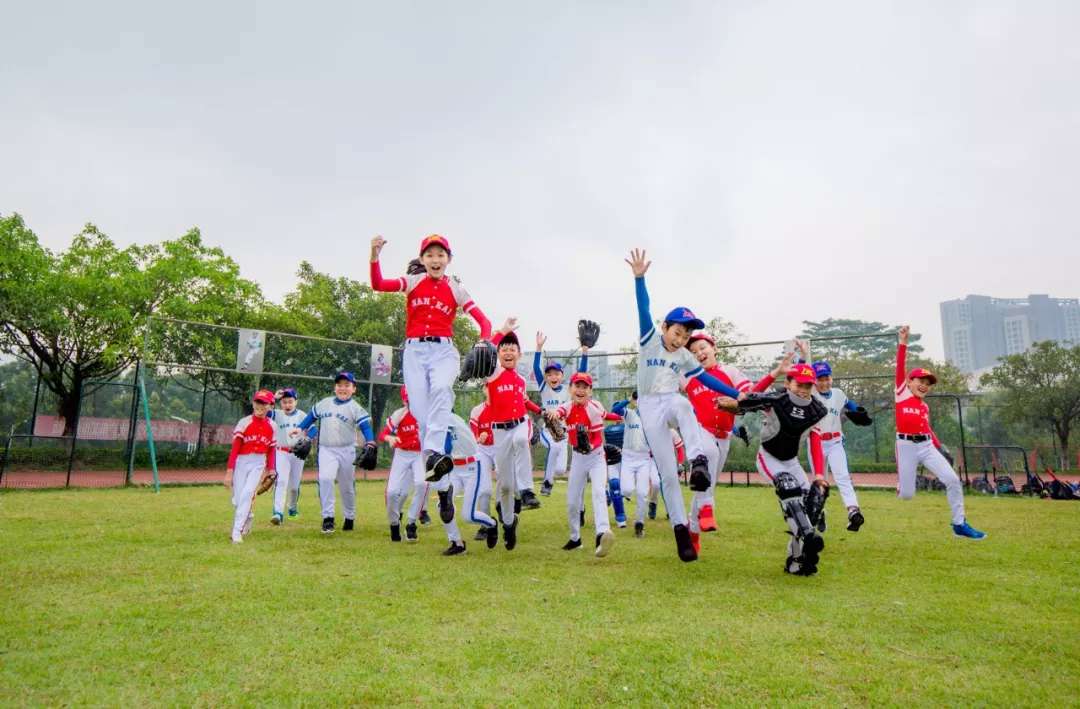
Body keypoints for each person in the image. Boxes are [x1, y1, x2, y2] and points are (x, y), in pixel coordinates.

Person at [624, 248, 743, 562]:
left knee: (683, 405)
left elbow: (707, 380)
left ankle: (698, 462)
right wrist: (639, 279)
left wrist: (736, 393)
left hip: (669, 400)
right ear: (666, 327)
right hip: (648, 407)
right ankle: (680, 533)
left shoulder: (684, 356)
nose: (680, 339)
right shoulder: (650, 338)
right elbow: (643, 308)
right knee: (667, 473)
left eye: (686, 334)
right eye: (677, 332)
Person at [369, 234, 493, 482]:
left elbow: (484, 322)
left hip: (443, 351)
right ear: (422, 259)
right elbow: (379, 284)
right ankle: (435, 463)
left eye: (440, 255)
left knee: (441, 389)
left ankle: (434, 451)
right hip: (414, 351)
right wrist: (374, 256)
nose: (435, 259)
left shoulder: (456, 288)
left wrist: (484, 340)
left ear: (449, 259)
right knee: (419, 409)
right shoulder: (412, 281)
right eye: (430, 255)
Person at [725, 362, 829, 575]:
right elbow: (748, 397)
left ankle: (797, 560)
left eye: (808, 386)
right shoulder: (776, 399)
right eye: (799, 384)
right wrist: (773, 374)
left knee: (812, 505)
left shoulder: (817, 410)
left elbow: (815, 441)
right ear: (788, 383)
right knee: (788, 488)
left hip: (792, 462)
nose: (803, 390)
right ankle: (807, 540)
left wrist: (819, 474)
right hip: (769, 457)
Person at [894, 325, 985, 539]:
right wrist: (903, 343)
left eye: (928, 383)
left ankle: (959, 524)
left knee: (952, 480)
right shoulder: (901, 393)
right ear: (909, 382)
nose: (925, 385)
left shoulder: (924, 407)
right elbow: (900, 367)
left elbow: (927, 429)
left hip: (926, 446)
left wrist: (939, 446)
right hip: (906, 446)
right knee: (907, 495)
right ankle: (902, 484)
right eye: (921, 381)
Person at [545, 372, 622, 557]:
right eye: (577, 386)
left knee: (598, 492)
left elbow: (597, 436)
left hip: (596, 457)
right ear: (570, 389)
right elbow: (560, 412)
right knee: (572, 501)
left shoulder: (594, 408)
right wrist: (554, 414)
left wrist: (589, 445)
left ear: (590, 391)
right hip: (578, 458)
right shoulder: (567, 407)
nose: (580, 390)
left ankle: (602, 533)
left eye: (584, 387)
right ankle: (575, 539)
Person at [292, 372, 376, 534]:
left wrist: (370, 441)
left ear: (354, 389)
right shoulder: (325, 403)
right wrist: (300, 428)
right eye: (339, 385)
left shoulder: (355, 407)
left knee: (347, 487)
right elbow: (311, 416)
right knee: (325, 479)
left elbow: (365, 426)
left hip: (347, 450)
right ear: (335, 387)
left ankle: (349, 517)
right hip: (326, 449)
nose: (342, 388)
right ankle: (328, 518)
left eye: (347, 385)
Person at [808, 360, 872, 531]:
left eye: (827, 378)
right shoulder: (811, 393)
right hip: (816, 442)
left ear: (831, 378)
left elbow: (850, 404)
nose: (824, 382)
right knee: (819, 480)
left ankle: (853, 511)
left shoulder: (838, 393)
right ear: (814, 381)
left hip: (835, 442)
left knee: (843, 476)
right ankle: (820, 512)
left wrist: (858, 411)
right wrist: (802, 356)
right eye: (819, 379)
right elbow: (802, 374)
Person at [532, 330, 589, 497]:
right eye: (549, 374)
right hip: (548, 430)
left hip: (564, 434)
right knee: (554, 446)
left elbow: (581, 374)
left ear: (562, 376)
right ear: (546, 377)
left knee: (560, 469)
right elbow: (536, 368)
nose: (553, 376)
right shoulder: (544, 388)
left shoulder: (568, 390)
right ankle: (547, 483)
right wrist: (538, 348)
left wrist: (585, 352)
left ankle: (552, 478)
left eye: (556, 373)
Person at [224, 390, 277, 544]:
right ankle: (248, 515)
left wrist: (271, 469)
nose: (260, 405)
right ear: (253, 403)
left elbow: (271, 450)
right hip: (241, 461)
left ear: (271, 406)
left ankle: (236, 532)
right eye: (258, 402)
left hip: (258, 463)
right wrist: (229, 471)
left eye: (264, 403)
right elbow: (235, 449)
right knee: (238, 499)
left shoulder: (273, 426)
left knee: (247, 494)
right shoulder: (244, 422)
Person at [446, 411, 500, 553]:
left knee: (468, 516)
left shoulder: (453, 420)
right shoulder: (435, 422)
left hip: (471, 468)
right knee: (443, 505)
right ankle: (457, 543)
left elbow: (448, 446)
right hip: (454, 470)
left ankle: (492, 524)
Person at [380, 386, 425, 542]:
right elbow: (383, 434)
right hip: (402, 454)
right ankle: (394, 523)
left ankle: (411, 523)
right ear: (404, 400)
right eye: (408, 400)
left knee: (422, 484)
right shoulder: (400, 414)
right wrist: (390, 438)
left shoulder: (425, 414)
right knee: (392, 492)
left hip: (419, 454)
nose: (411, 403)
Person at [612, 392, 657, 537]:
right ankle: (612, 494)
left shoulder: (651, 418)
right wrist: (629, 399)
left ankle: (639, 524)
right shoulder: (629, 414)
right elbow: (615, 410)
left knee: (642, 493)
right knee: (626, 490)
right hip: (628, 458)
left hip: (644, 459)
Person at [270, 387, 306, 524]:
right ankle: (278, 513)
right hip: (281, 452)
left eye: (290, 401)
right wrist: (273, 399)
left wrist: (308, 439)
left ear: (296, 402)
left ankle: (292, 509)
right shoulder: (277, 414)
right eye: (284, 402)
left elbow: (313, 430)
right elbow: (265, 411)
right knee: (281, 481)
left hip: (298, 453)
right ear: (281, 403)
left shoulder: (302, 415)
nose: (287, 405)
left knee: (294, 486)